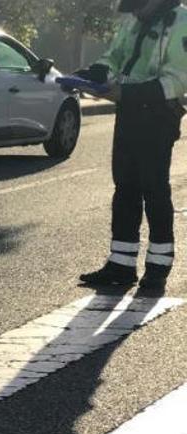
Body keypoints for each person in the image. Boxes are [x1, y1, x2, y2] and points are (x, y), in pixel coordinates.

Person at [77, 0, 187, 290]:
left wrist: (127, 93)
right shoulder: (134, 20)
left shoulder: (181, 23)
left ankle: (158, 269)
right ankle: (121, 266)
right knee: (125, 188)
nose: (135, 11)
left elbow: (178, 80)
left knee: (154, 189)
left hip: (159, 116)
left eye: (139, 6)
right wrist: (96, 72)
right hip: (129, 113)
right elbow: (116, 56)